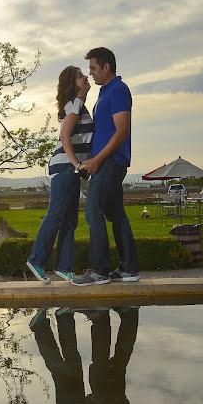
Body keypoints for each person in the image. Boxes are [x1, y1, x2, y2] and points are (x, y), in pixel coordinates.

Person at [71, 47, 140, 286]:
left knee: (93, 212)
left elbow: (122, 131)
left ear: (106, 67)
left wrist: (98, 160)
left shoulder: (118, 90)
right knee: (116, 215)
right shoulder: (105, 92)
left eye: (93, 68)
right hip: (105, 162)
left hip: (110, 162)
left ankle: (99, 271)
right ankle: (129, 270)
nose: (90, 73)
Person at [26, 66, 93, 283]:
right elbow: (65, 136)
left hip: (69, 169)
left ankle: (64, 267)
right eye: (81, 76)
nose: (86, 77)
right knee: (56, 214)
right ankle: (36, 260)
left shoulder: (79, 105)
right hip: (65, 167)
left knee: (69, 220)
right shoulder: (74, 104)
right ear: (74, 84)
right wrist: (76, 164)